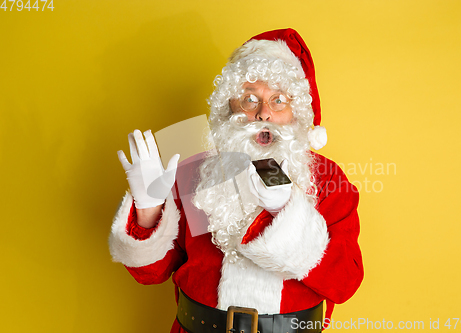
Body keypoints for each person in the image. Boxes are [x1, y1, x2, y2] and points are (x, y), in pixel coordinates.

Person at [109, 28, 363, 333]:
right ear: (229, 107)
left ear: (297, 112)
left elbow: (344, 283)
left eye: (279, 100)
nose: (264, 113)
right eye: (250, 99)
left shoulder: (325, 178)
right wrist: (148, 210)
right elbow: (151, 273)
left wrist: (287, 212)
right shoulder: (194, 172)